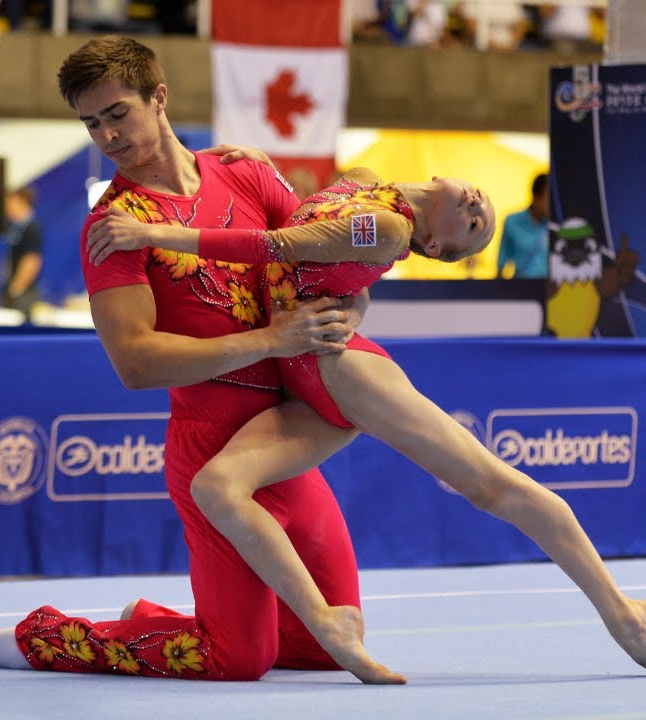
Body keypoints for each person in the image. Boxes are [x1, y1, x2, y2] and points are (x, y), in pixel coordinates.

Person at [84, 165, 646, 683]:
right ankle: (278, 622)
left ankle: (621, 615)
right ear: (440, 177)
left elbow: (275, 245)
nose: (478, 208)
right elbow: (321, 243)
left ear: (432, 246)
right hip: (300, 383)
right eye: (480, 205)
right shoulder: (363, 180)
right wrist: (257, 160)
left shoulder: (391, 230)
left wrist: (152, 234)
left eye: (476, 227)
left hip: (344, 373)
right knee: (216, 486)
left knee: (491, 485)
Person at [0, 35, 364, 682]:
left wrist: (348, 310)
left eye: (117, 113)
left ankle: (155, 619)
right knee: (239, 658)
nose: (107, 135)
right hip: (210, 447)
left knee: (327, 644)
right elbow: (136, 364)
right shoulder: (113, 227)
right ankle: (43, 637)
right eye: (91, 123)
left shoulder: (247, 174)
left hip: (284, 442)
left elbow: (331, 264)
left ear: (159, 97)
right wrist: (273, 340)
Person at [0, 187, 43, 317]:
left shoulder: (31, 228)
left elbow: (32, 260)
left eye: (10, 203)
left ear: (21, 202)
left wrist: (17, 288)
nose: (7, 208)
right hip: (14, 290)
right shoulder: (15, 227)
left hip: (23, 294)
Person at [497, 172, 549, 280]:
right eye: (548, 198)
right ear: (536, 196)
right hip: (521, 285)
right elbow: (501, 263)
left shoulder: (555, 226)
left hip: (548, 287)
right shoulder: (512, 221)